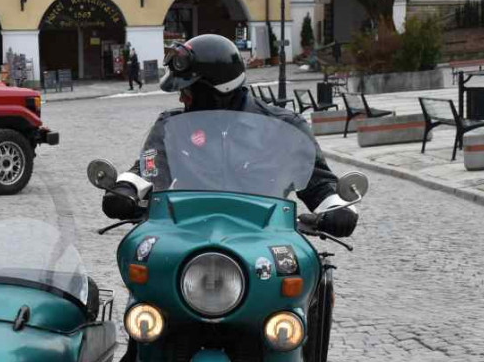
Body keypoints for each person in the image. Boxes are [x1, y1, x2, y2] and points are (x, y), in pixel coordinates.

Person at [102, 33, 358, 238]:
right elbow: (149, 170)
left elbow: (317, 184)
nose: (181, 97)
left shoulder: (284, 128)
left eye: (188, 90)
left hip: (265, 240)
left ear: (214, 91)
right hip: (189, 236)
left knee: (308, 280)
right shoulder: (172, 127)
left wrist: (337, 209)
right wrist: (126, 189)